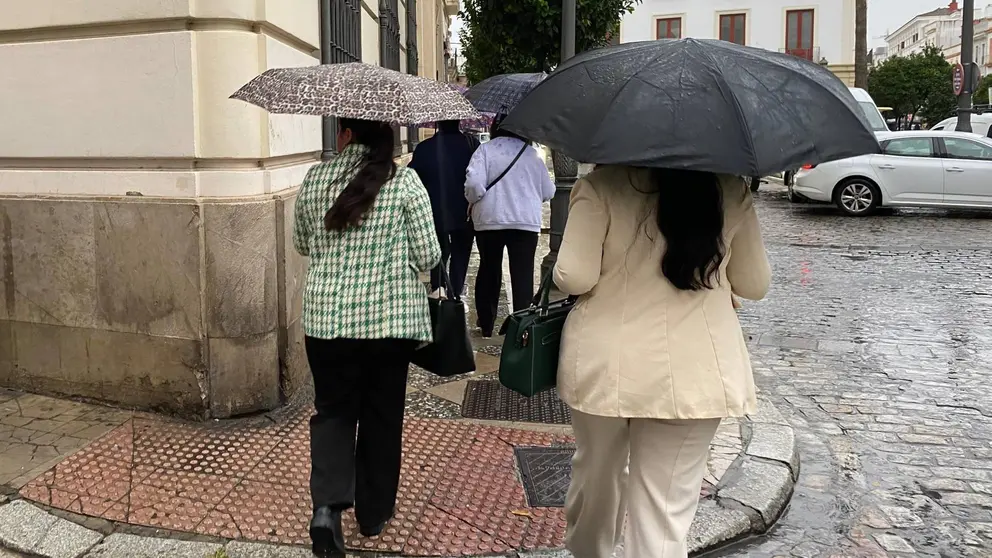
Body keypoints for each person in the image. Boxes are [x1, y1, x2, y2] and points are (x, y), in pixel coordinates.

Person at [553, 166, 770, 558]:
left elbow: (574, 276)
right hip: (695, 370)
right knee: (664, 509)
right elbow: (754, 284)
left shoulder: (602, 185)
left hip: (608, 363)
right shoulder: (729, 188)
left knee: (596, 478)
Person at [293, 118, 441, 558]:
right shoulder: (406, 183)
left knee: (333, 413)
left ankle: (326, 510)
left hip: (327, 322)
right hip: (387, 326)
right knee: (381, 415)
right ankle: (373, 515)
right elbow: (428, 253)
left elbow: (302, 243)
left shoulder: (317, 177)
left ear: (346, 135)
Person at [465, 125, 555, 337]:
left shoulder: (485, 150)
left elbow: (474, 186)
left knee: (489, 271)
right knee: (522, 276)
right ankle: (520, 328)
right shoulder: (531, 154)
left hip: (489, 221)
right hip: (525, 223)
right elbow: (549, 191)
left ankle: (486, 323)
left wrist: (474, 199)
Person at [408, 120, 480, 297]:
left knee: (438, 253)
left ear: (438, 123)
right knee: (461, 255)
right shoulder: (472, 145)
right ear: (459, 122)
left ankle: (438, 290)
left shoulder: (425, 148)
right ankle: (455, 294)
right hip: (465, 211)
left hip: (434, 211)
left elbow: (412, 178)